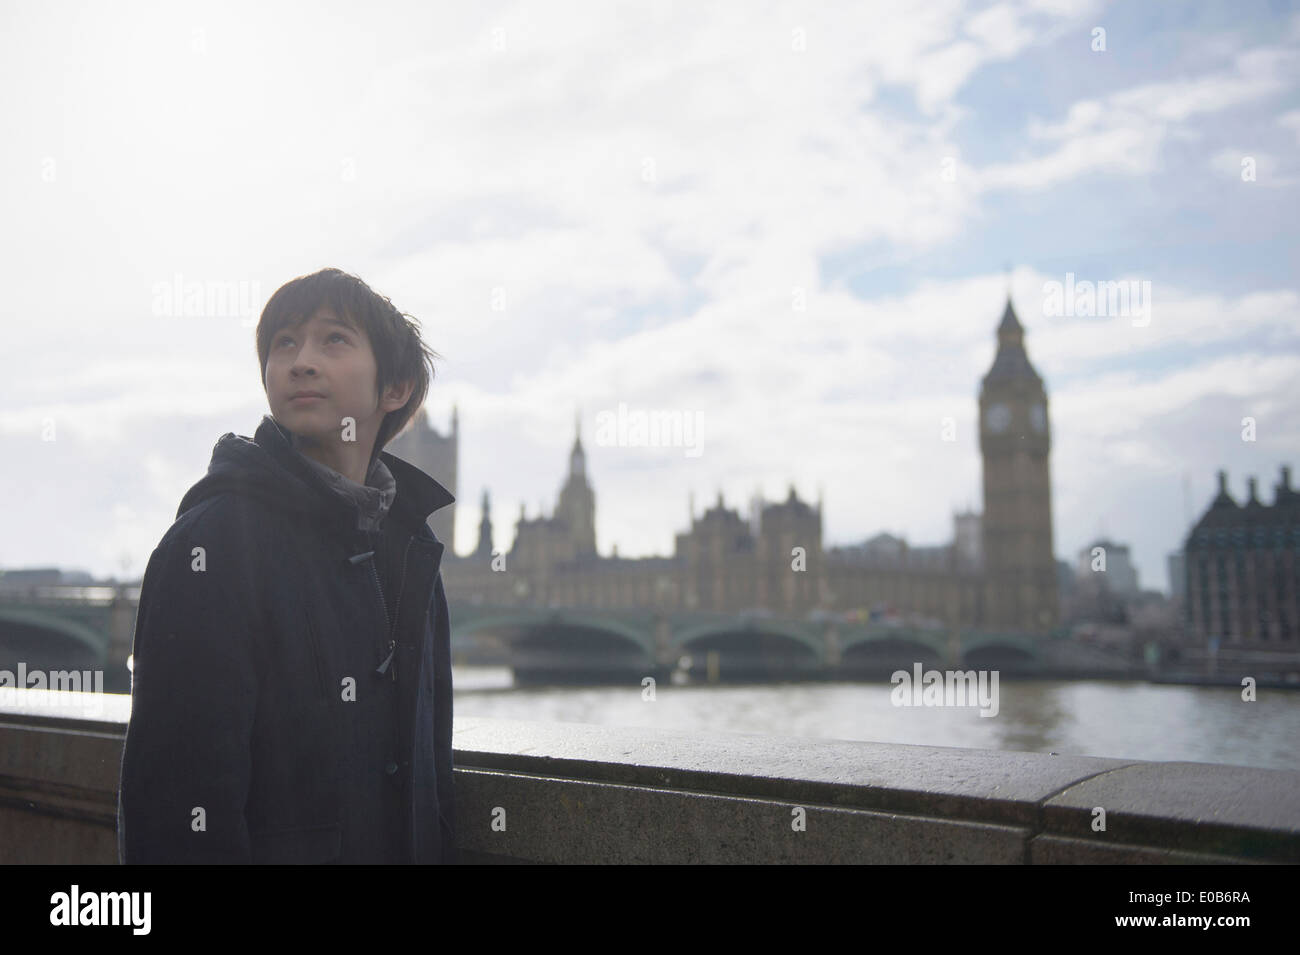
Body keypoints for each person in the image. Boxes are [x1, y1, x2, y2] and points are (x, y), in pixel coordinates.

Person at [118, 267, 457, 863]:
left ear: (396, 387)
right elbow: (172, 809)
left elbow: (431, 778)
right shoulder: (210, 547)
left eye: (334, 340)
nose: (301, 361)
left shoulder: (414, 553)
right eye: (284, 343)